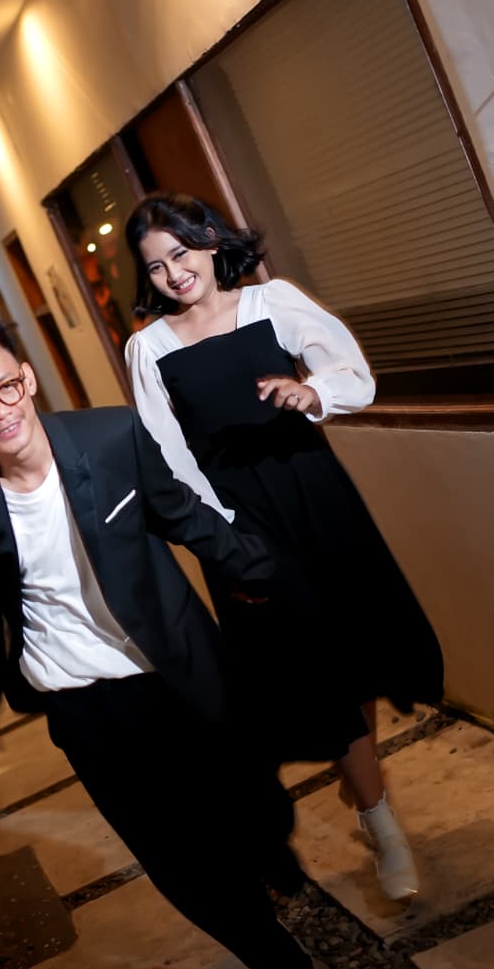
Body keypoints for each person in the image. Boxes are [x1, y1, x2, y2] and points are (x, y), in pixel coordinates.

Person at [0, 312, 326, 969]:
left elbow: (181, 514)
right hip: (84, 707)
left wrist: (256, 568)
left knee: (253, 808)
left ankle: (265, 844)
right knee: (181, 861)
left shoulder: (110, 437)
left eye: (4, 389)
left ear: (26, 380)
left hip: (172, 673)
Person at [124, 191, 445, 904]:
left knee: (353, 651)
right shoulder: (149, 348)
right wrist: (224, 542)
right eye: (155, 267)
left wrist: (311, 393)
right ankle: (381, 821)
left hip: (316, 495)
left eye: (181, 253)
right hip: (242, 523)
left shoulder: (274, 302)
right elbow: (169, 460)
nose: (173, 274)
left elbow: (353, 376)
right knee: (313, 666)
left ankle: (363, 788)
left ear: (210, 242)